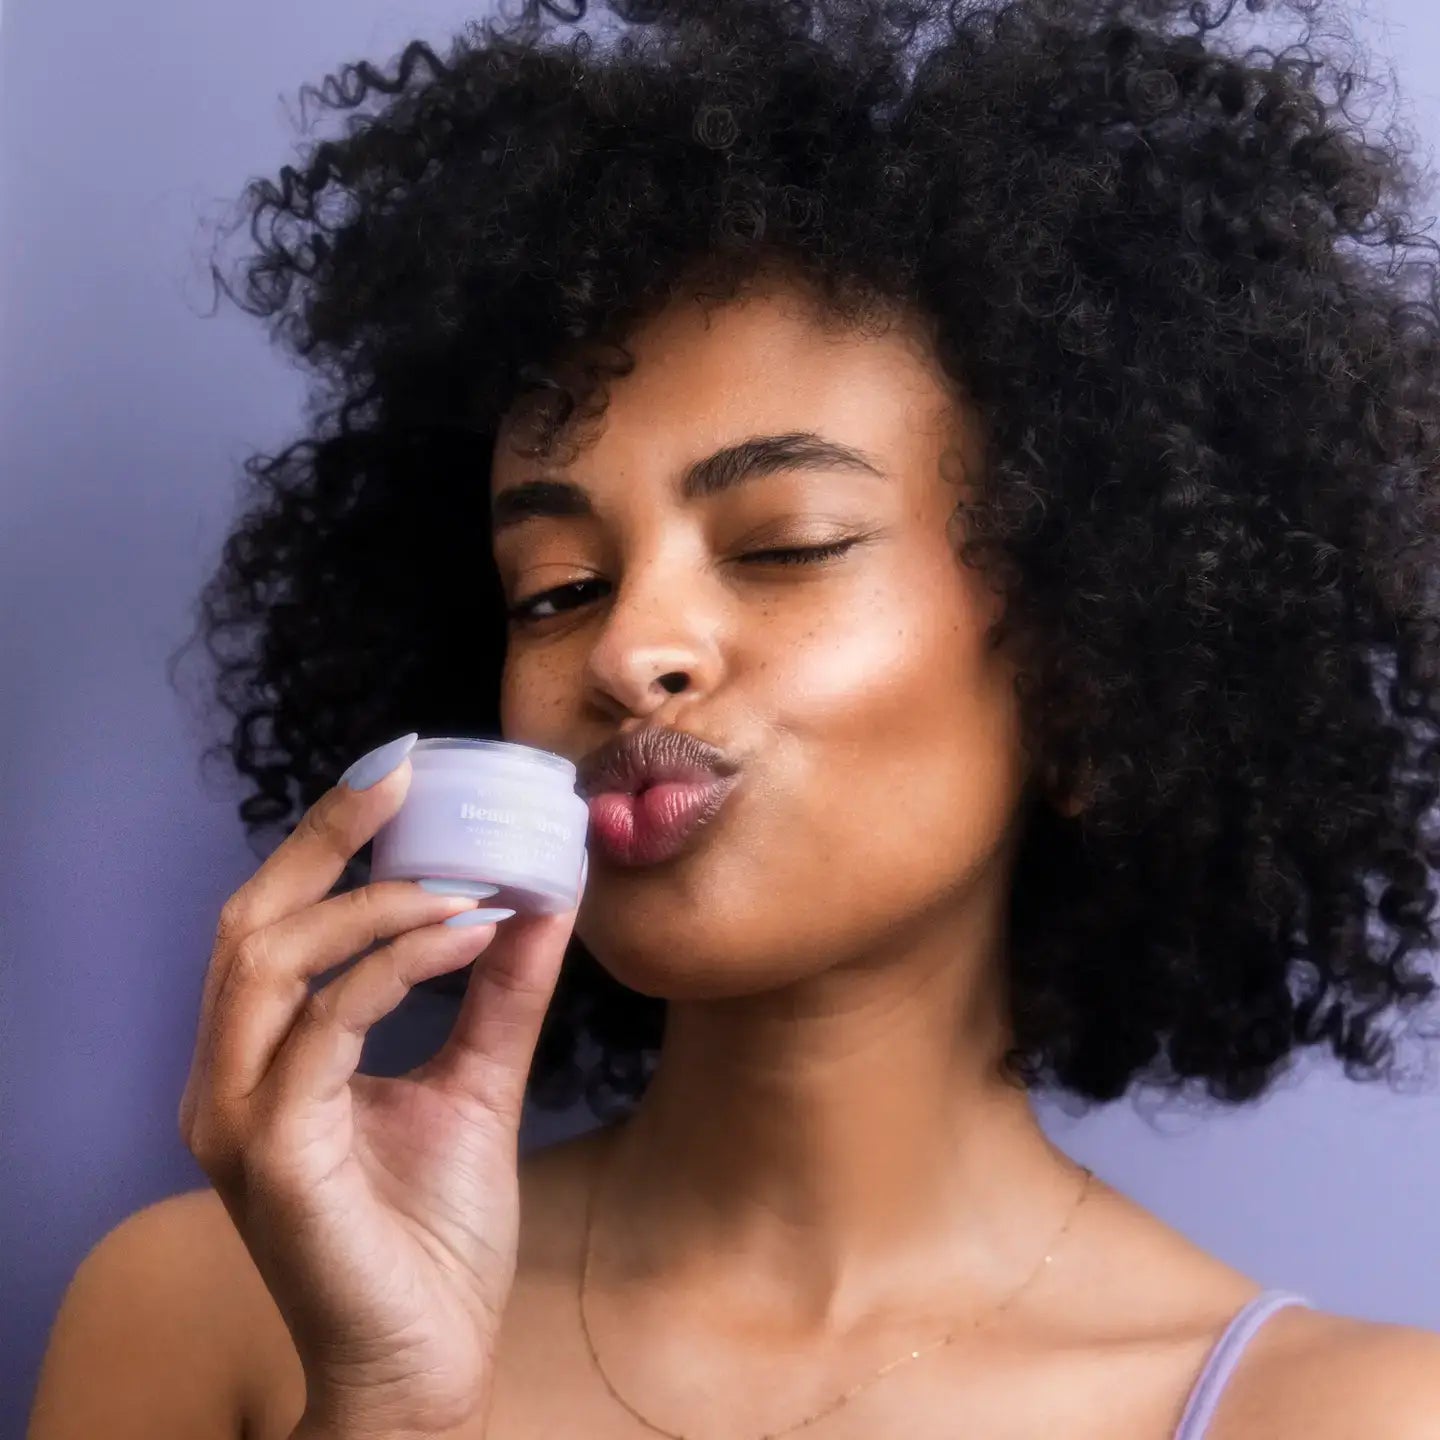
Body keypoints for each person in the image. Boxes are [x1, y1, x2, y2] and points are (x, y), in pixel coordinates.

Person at [28, 1, 1440, 1437]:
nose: (627, 648)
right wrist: (385, 1400)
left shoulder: (1346, 1416)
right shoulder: (211, 1321)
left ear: (1089, 678)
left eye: (786, 546)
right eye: (555, 588)